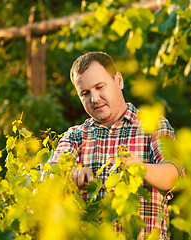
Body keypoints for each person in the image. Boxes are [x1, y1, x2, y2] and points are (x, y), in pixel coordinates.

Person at [49, 51, 183, 239]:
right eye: (85, 93)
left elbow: (173, 174)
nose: (94, 99)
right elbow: (48, 177)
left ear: (118, 80)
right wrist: (70, 175)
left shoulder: (152, 126)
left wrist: (140, 168)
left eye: (99, 87)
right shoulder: (76, 136)